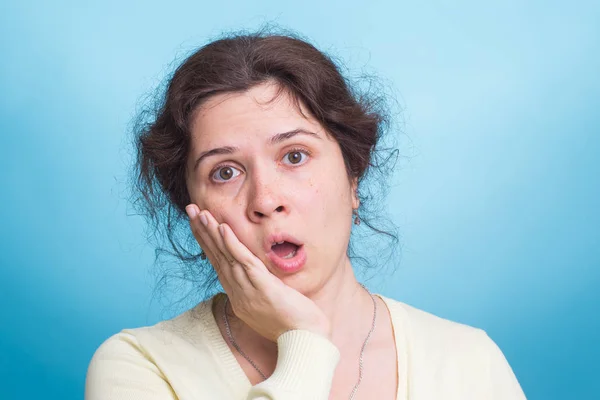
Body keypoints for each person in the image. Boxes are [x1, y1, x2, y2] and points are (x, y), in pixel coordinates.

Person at [85, 30, 527, 400]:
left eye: (294, 156)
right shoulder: (140, 367)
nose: (265, 198)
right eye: (224, 172)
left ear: (353, 178)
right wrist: (305, 346)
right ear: (192, 212)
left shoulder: (469, 362)